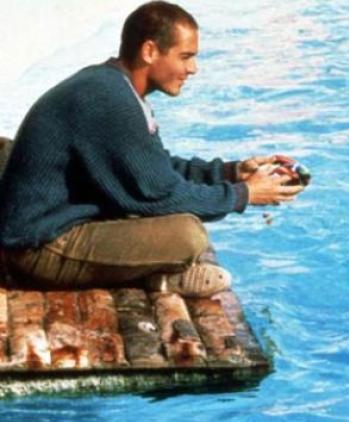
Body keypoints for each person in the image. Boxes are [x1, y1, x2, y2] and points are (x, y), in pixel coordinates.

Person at [0, 1, 305, 297]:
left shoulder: (113, 86)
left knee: (168, 221)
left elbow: (155, 166)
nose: (193, 69)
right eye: (185, 57)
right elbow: (160, 194)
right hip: (37, 248)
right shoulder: (110, 100)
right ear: (149, 52)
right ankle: (158, 280)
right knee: (187, 235)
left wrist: (231, 172)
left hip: (50, 227)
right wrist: (244, 194)